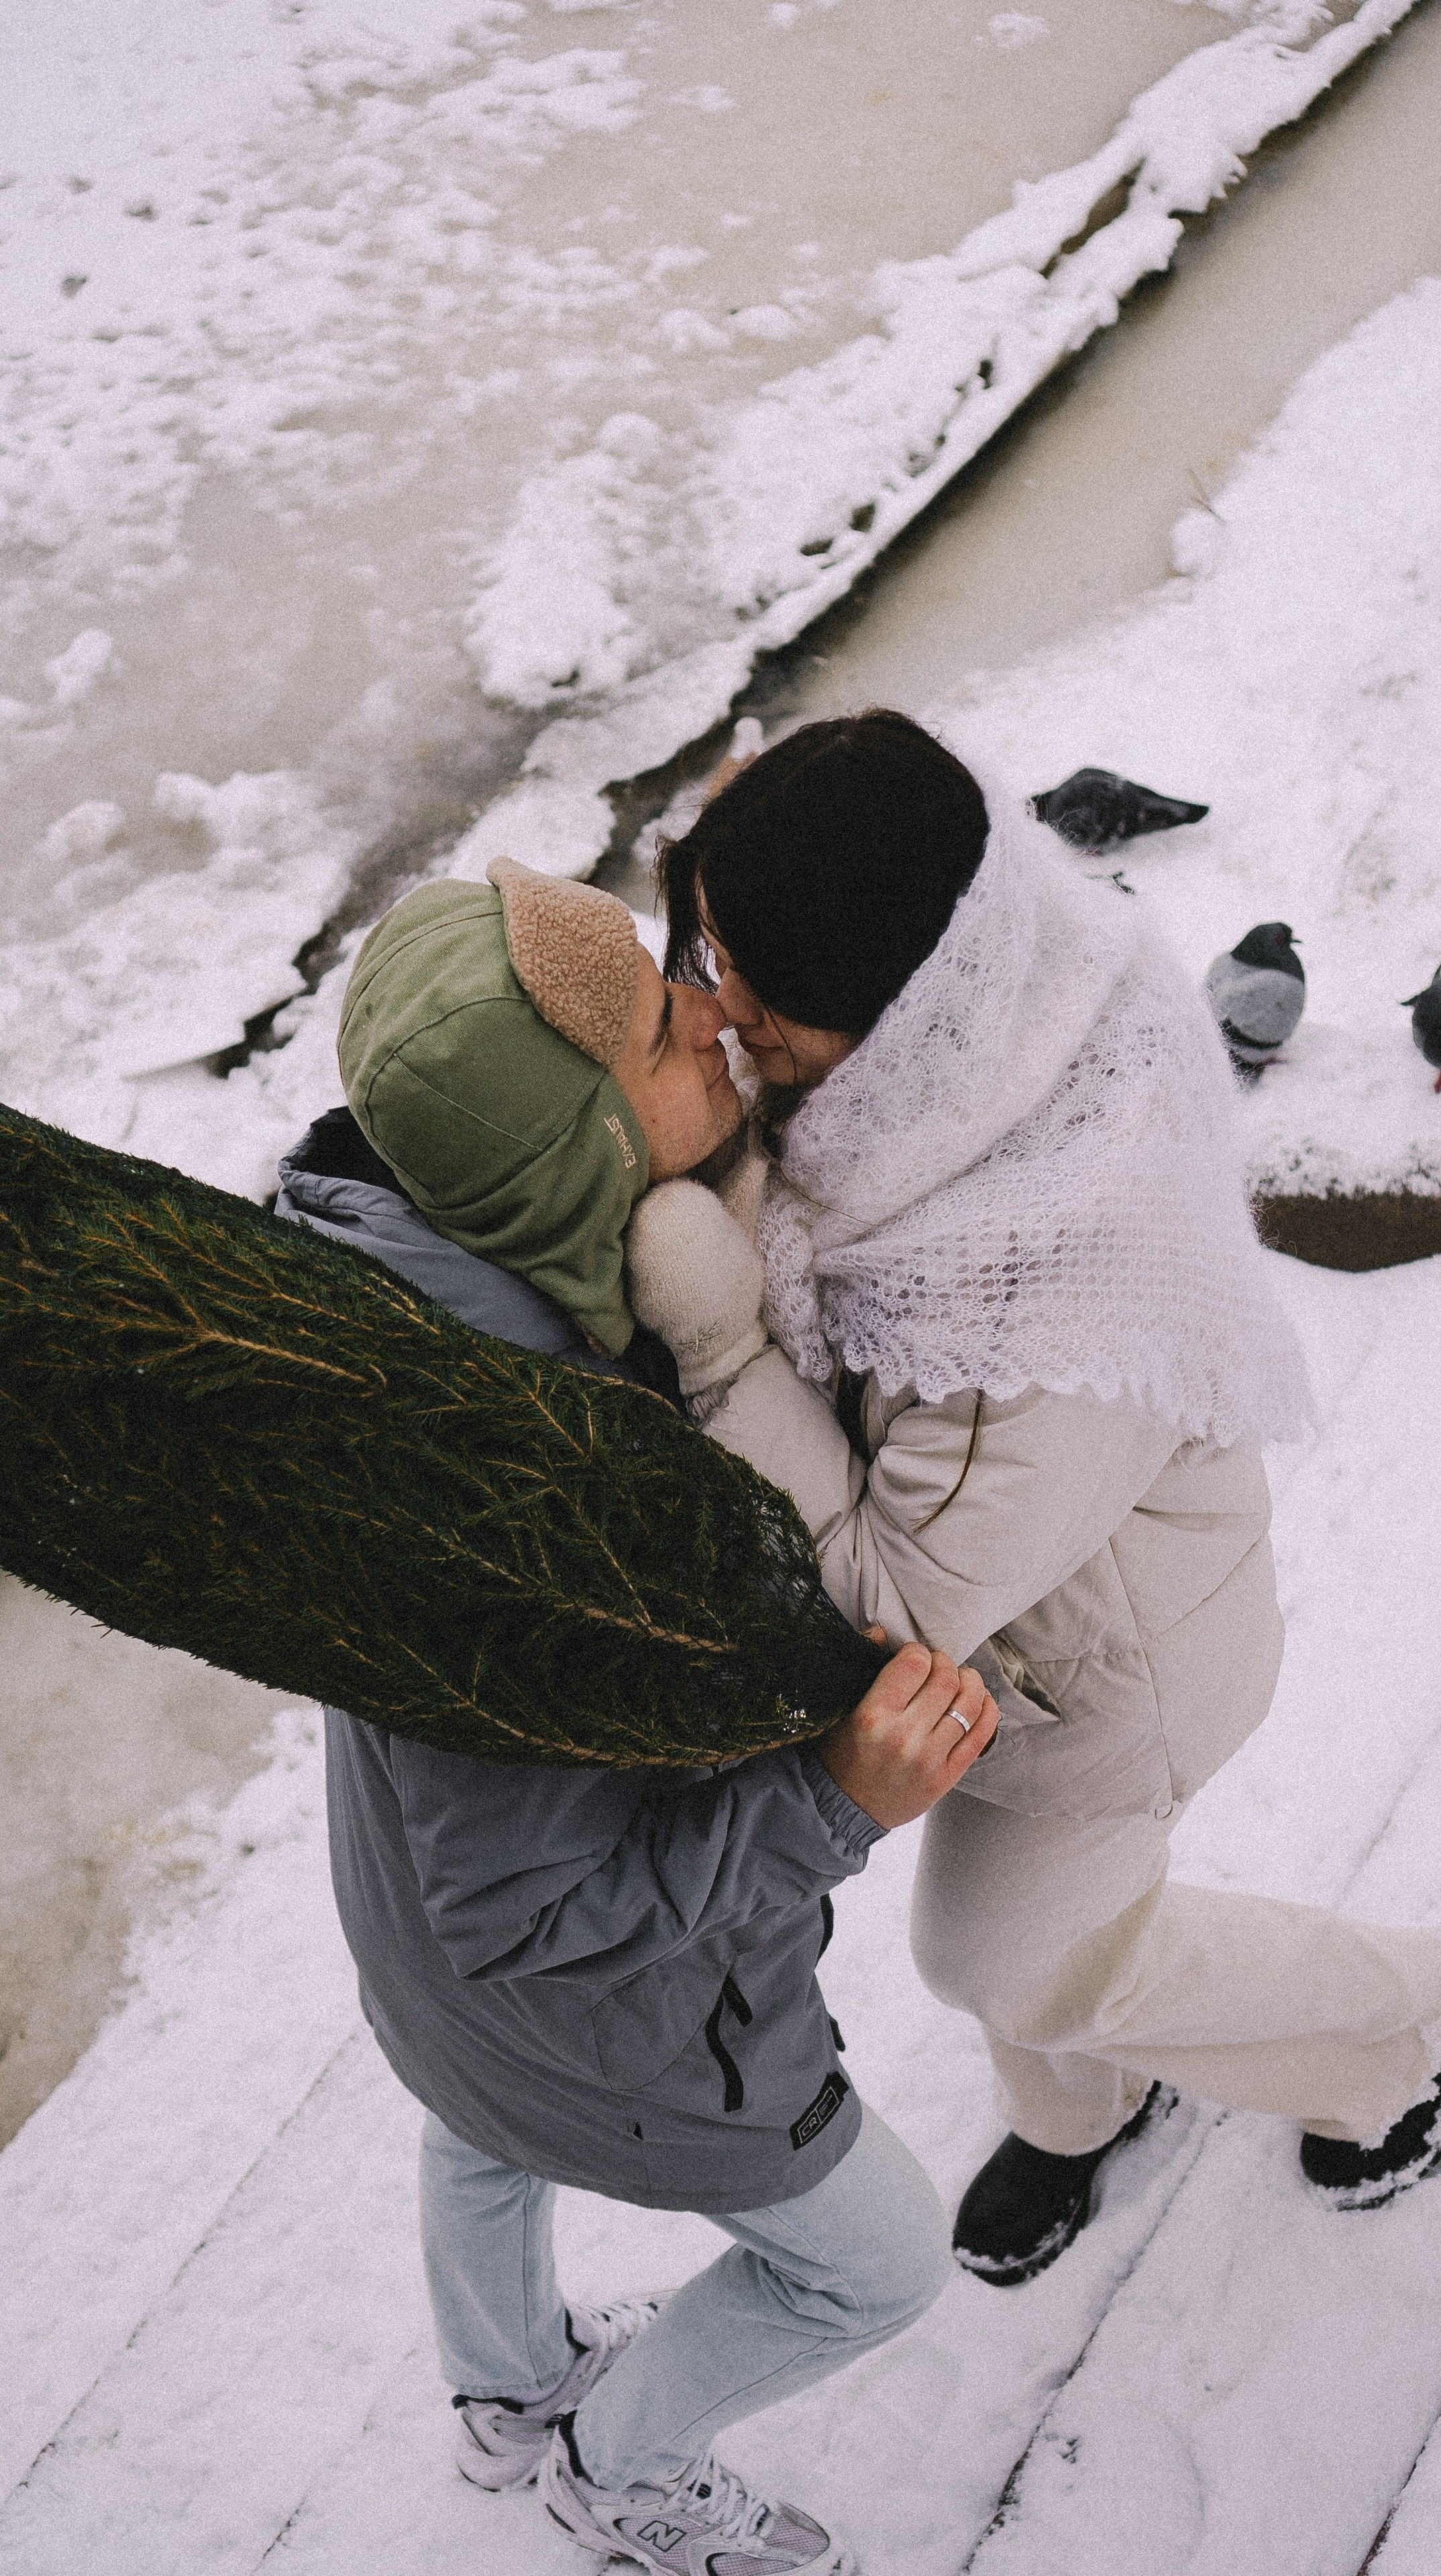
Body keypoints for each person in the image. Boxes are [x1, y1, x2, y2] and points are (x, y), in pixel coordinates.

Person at [618, 709, 1441, 2286]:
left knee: (997, 1953)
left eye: (766, 1016)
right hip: (1041, 1626)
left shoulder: (1024, 1295)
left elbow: (899, 1600)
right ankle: (1082, 2111)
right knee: (1044, 1953)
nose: (718, 1023)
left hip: (1110, 1677)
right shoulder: (1009, 999)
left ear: (909, 1021)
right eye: (707, 958)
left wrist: (715, 1346)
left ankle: (1417, 2018)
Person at [275, 854, 998, 2575]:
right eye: (658, 1037)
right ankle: (619, 2459)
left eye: (657, 966)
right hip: (605, 2021)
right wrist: (832, 1799)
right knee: (878, 2262)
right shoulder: (528, 1495)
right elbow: (532, 1909)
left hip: (425, 1983)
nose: (705, 1010)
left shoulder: (376, 1310)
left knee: (474, 2130)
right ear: (572, 1165)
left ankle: (503, 2391)